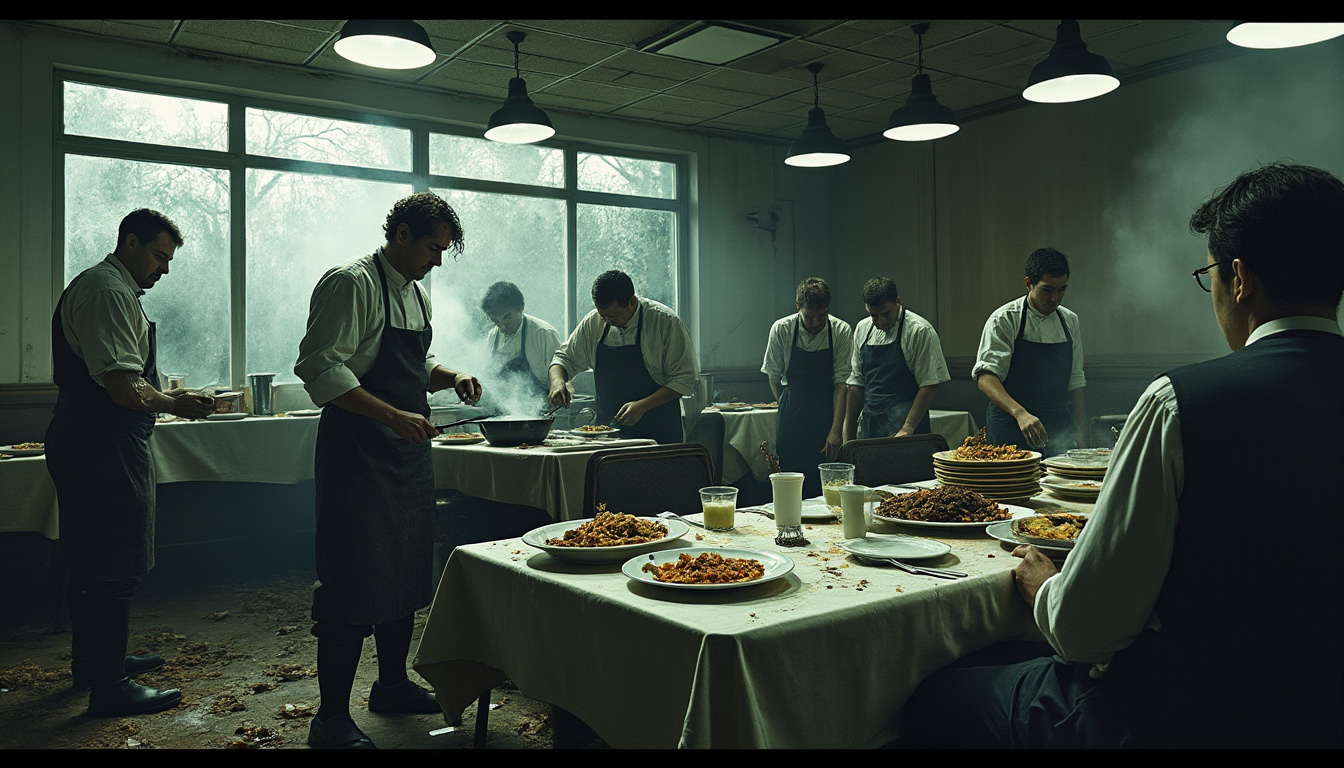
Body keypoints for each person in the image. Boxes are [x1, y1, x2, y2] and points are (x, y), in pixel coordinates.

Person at [897, 163, 1344, 748]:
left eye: (1208, 273)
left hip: (1173, 712)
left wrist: (1046, 588)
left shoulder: (1179, 405)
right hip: (1316, 711)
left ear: (1239, 278)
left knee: (929, 698)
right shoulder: (1009, 322)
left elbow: (1085, 634)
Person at [294, 192, 482, 749]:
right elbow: (319, 365)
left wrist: (448, 376)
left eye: (444, 250)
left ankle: (392, 684)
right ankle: (329, 719)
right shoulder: (351, 283)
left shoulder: (417, 294)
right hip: (358, 452)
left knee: (402, 568)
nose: (437, 260)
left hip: (404, 455)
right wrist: (389, 414)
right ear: (401, 233)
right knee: (354, 576)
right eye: (431, 247)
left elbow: (412, 362)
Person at [45, 209, 216, 716]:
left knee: (91, 558)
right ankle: (110, 686)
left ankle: (96, 663)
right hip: (101, 442)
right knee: (112, 563)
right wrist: (175, 404)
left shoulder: (111, 289)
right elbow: (122, 388)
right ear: (130, 242)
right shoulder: (108, 292)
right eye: (160, 256)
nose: (164, 269)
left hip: (92, 438)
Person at [548, 270, 697, 444]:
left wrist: (643, 405)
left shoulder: (664, 322)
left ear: (632, 301)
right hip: (606, 436)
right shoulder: (594, 322)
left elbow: (685, 379)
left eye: (613, 315)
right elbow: (563, 359)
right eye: (602, 315)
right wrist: (558, 382)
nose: (607, 320)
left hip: (660, 433)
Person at [973, 247, 1088, 457]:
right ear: (1029, 284)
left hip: (1056, 426)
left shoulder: (1070, 321)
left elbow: (1076, 381)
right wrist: (1020, 413)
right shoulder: (1005, 319)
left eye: (1062, 289)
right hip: (1009, 425)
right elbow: (986, 378)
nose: (1055, 298)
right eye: (1047, 290)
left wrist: (1080, 429)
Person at [761, 277, 853, 497]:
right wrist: (787, 403)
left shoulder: (840, 330)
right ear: (797, 307)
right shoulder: (782, 329)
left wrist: (836, 429)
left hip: (826, 408)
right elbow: (774, 377)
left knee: (823, 483)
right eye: (809, 317)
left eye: (822, 316)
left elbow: (842, 383)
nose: (816, 323)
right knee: (791, 482)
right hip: (792, 409)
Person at [843, 277, 949, 442]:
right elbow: (856, 382)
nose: (881, 321)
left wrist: (907, 428)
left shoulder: (918, 330)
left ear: (898, 301)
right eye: (874, 316)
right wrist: (848, 434)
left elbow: (929, 384)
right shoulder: (862, 329)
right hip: (870, 425)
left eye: (886, 314)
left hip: (906, 427)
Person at [479, 280, 562, 414]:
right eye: (496, 321)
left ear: (521, 308)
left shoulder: (542, 333)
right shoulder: (493, 336)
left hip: (541, 413)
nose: (502, 326)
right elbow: (489, 378)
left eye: (507, 317)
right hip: (503, 414)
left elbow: (562, 380)